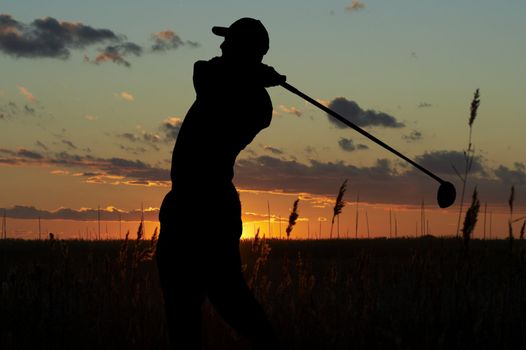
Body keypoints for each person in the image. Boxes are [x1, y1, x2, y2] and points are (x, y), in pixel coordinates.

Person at [156, 18, 285, 350]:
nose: (222, 47)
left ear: (243, 50)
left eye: (230, 42)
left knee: (229, 300)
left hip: (208, 209)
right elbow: (205, 69)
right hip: (185, 208)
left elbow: (210, 75)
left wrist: (253, 75)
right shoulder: (233, 83)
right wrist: (255, 73)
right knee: (184, 316)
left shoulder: (256, 103)